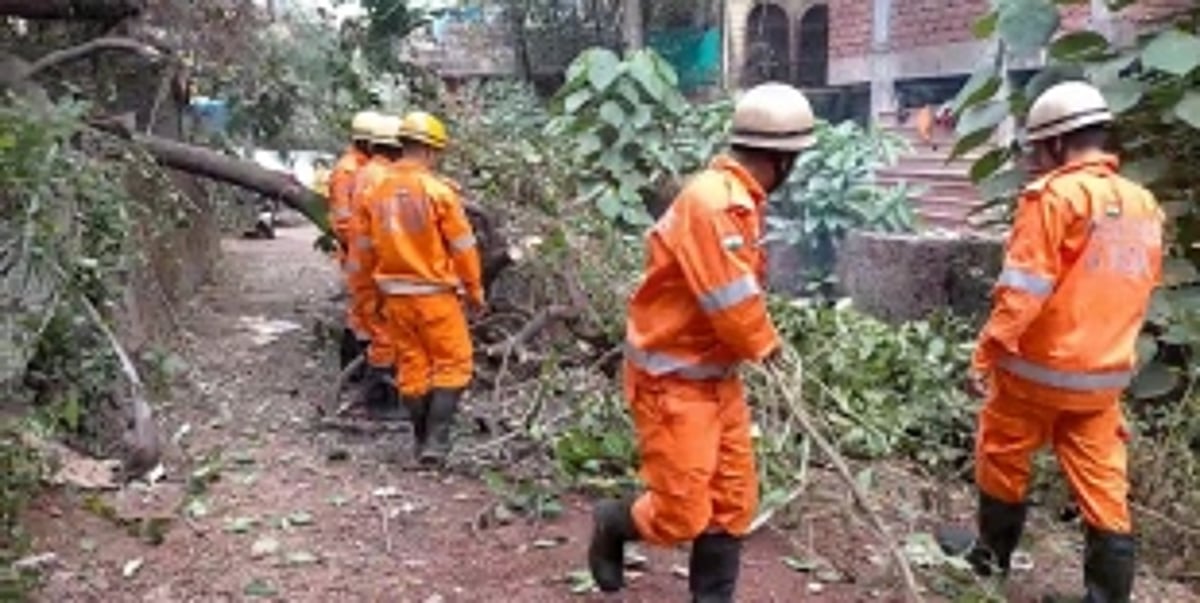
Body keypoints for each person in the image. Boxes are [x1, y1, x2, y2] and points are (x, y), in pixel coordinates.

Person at [587, 82, 817, 602]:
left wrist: (756, 345)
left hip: (716, 377)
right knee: (681, 513)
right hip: (673, 382)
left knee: (733, 502)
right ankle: (613, 522)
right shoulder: (713, 204)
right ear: (780, 158)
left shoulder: (738, 201)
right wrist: (767, 345)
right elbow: (730, 301)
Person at [940, 81, 1163, 603]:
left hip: (1034, 373)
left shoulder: (1055, 197)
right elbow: (1139, 288)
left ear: (1057, 144)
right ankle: (1106, 597)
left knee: (1002, 455)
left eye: (1039, 149)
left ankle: (990, 563)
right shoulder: (1143, 203)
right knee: (1104, 485)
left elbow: (1023, 290)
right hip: (1103, 379)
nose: (1036, 161)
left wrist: (985, 354)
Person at [350, 110, 484, 464]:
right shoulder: (439, 192)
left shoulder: (374, 192)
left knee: (413, 367)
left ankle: (420, 440)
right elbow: (463, 247)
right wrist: (474, 291)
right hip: (435, 296)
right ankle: (436, 443)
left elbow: (361, 253)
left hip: (395, 298)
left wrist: (367, 299)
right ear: (429, 151)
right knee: (453, 364)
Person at [345, 113, 409, 420]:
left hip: (363, 265)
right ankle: (379, 403)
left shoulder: (368, 172)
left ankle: (373, 393)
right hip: (375, 269)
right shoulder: (382, 179)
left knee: (371, 328)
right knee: (385, 335)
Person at [331, 110, 381, 377]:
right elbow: (342, 220)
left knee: (366, 313)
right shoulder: (348, 170)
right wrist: (356, 251)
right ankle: (353, 371)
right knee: (360, 313)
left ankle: (359, 370)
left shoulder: (363, 167)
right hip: (356, 252)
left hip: (362, 251)